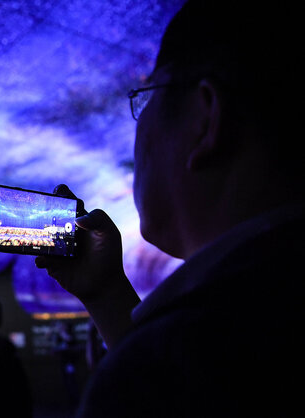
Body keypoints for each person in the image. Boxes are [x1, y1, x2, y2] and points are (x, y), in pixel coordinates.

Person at [34, 1, 304, 416]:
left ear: (206, 117)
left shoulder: (166, 370)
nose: (137, 128)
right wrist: (106, 294)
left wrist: (136, 371)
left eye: (144, 100)